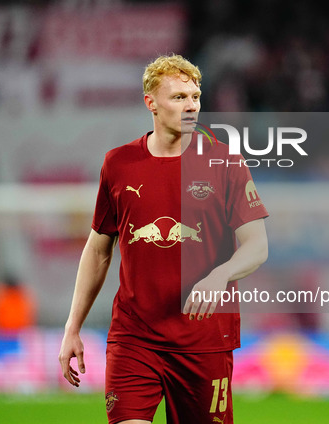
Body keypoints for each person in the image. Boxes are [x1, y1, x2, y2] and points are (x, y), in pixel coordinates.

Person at [59, 54, 268, 424]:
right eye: (178, 97)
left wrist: (222, 275)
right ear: (150, 103)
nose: (191, 106)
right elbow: (98, 250)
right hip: (134, 337)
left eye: (195, 96)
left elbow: (257, 245)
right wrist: (72, 326)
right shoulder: (118, 165)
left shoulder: (226, 164)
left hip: (204, 341)